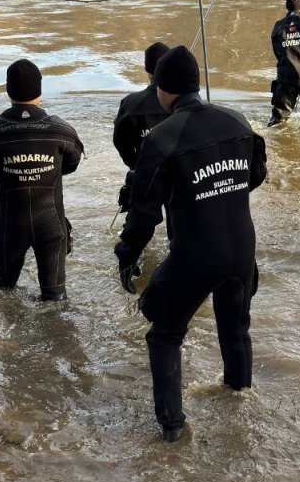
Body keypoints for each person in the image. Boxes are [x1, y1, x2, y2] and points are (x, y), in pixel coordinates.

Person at [114, 46, 268, 443]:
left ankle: (172, 428)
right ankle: (240, 399)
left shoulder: (162, 137)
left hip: (198, 251)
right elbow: (255, 176)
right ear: (196, 84)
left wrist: (126, 255)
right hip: (243, 249)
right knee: (235, 329)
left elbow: (144, 213)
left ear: (162, 89)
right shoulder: (236, 119)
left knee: (164, 334)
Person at [0, 59, 84, 300]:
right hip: (52, 224)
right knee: (55, 300)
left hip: (10, 226)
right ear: (39, 89)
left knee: (4, 293)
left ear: (8, 91)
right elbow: (70, 166)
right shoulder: (63, 131)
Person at [113, 42, 171, 213]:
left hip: (144, 174)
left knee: (136, 231)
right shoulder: (181, 103)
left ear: (148, 71)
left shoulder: (130, 103)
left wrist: (135, 163)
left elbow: (120, 141)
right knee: (179, 232)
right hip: (179, 175)